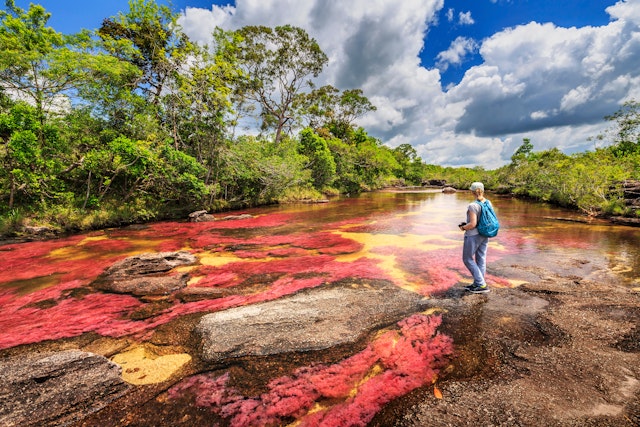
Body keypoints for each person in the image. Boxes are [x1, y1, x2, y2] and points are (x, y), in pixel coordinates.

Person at [459, 182, 490, 293]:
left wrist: (463, 228)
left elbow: (472, 224)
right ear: (483, 190)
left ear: (472, 191)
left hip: (473, 235)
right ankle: (478, 283)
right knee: (481, 258)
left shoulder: (473, 205)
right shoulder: (487, 202)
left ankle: (481, 285)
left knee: (467, 259)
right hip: (485, 234)